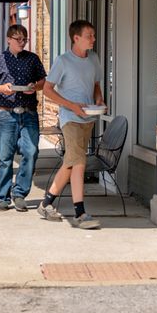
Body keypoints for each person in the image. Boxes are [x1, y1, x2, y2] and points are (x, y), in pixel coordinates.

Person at [39, 20, 105, 229]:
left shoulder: (94, 58)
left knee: (71, 161)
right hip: (70, 118)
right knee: (79, 162)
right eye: (89, 36)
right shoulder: (63, 61)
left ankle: (46, 203)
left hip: (88, 118)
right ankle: (80, 213)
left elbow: (95, 84)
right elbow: (47, 89)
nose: (93, 39)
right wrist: (71, 106)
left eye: (93, 35)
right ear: (76, 38)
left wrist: (99, 99)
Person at [0, 23, 47, 212]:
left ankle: (20, 193)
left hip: (28, 113)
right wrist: (2, 88)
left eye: (24, 39)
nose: (22, 42)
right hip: (6, 114)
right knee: (5, 157)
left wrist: (34, 87)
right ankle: (2, 197)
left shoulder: (32, 59)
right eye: (18, 39)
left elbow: (43, 81)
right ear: (9, 39)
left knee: (31, 151)